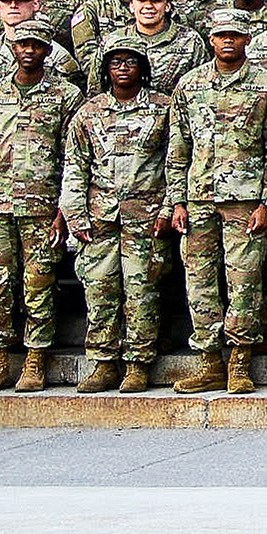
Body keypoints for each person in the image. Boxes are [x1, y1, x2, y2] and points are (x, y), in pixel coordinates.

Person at [166, 11, 267, 395]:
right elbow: (178, 148)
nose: (228, 41)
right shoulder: (190, 85)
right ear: (212, 39)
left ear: (247, 39)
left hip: (245, 200)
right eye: (221, 35)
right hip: (198, 199)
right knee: (199, 283)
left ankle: (239, 363)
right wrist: (177, 201)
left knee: (244, 282)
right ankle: (210, 364)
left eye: (236, 34)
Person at [0, 20, 78, 391]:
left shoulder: (66, 95)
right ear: (13, 48)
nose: (29, 50)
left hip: (44, 208)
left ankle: (35, 361)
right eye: (23, 44)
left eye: (37, 45)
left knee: (38, 287)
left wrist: (65, 210)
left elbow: (73, 158)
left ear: (47, 50)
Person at [62, 45, 178, 392]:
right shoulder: (89, 112)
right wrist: (75, 215)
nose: (123, 68)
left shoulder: (163, 108)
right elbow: (75, 167)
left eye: (130, 62)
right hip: (100, 218)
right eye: (115, 62)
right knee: (99, 289)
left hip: (146, 218)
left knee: (142, 291)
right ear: (105, 70)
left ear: (143, 68)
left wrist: (168, 208)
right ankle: (103, 363)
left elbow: (175, 161)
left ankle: (138, 364)